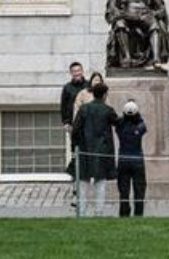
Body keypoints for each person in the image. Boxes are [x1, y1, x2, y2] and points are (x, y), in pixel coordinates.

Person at [105, 0, 169, 68]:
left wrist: (154, 14)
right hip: (127, 15)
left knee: (155, 25)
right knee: (120, 24)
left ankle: (156, 59)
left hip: (145, 14)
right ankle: (126, 58)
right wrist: (121, 14)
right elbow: (112, 6)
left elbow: (161, 6)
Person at [72, 81, 119, 216]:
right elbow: (118, 123)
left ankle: (82, 212)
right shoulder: (108, 110)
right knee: (100, 183)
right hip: (102, 150)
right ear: (104, 95)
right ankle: (99, 212)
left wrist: (77, 145)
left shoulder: (84, 109)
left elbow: (75, 129)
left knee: (82, 182)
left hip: (85, 148)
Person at [115, 100, 148, 217]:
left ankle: (124, 213)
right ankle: (138, 214)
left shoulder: (120, 125)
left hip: (123, 160)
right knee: (139, 189)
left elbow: (118, 121)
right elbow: (142, 125)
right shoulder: (140, 126)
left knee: (123, 190)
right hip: (137, 160)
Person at [60, 61, 88, 186]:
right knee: (75, 150)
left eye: (78, 70)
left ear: (82, 71)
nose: (77, 73)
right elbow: (64, 107)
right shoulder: (67, 88)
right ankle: (76, 176)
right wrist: (66, 122)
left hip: (87, 125)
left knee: (87, 149)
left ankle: (87, 175)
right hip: (74, 125)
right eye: (74, 71)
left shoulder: (88, 86)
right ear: (71, 73)